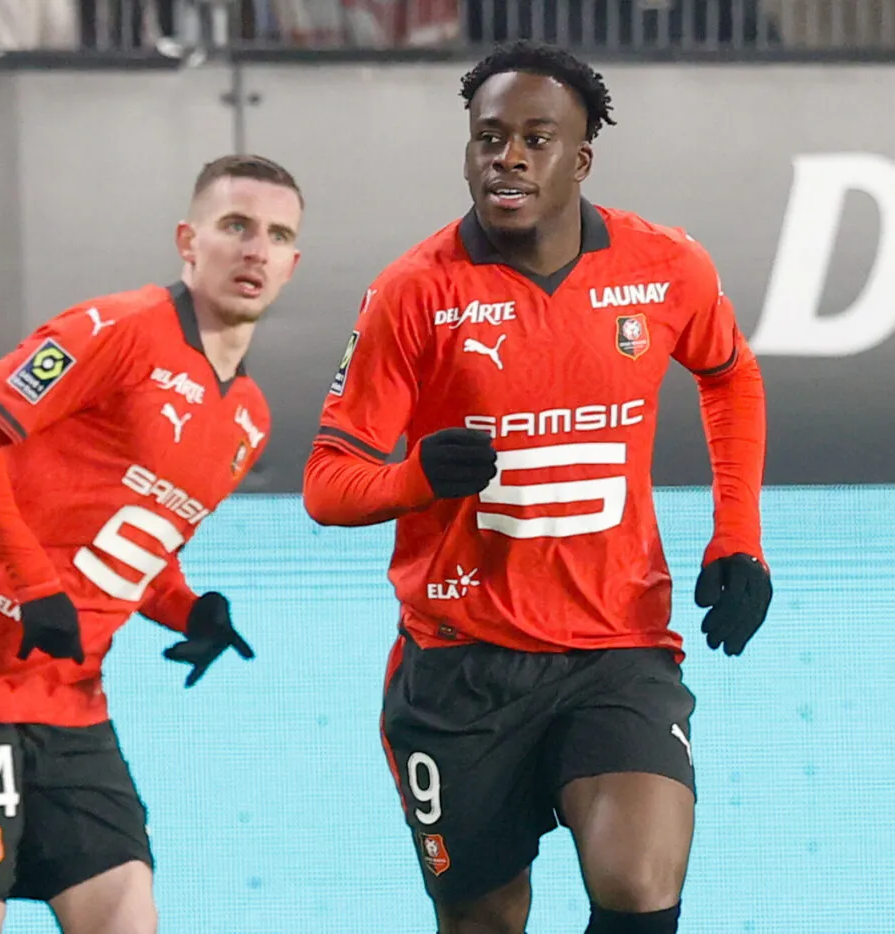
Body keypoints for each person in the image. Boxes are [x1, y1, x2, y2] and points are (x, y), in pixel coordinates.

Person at [302, 41, 771, 934]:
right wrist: (413, 478)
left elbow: (730, 375)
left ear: (580, 159)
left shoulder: (667, 267)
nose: (506, 156)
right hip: (459, 668)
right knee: (484, 920)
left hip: (618, 650)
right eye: (488, 138)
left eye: (535, 139)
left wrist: (736, 533)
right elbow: (328, 484)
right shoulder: (411, 295)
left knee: (639, 888)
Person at [0, 153, 303, 934]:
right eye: (235, 226)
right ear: (188, 239)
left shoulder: (250, 418)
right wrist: (35, 582)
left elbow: (131, 538)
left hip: (74, 712)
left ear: (291, 264)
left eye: (277, 236)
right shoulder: (118, 328)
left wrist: (187, 610)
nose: (255, 249)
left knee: (126, 920)